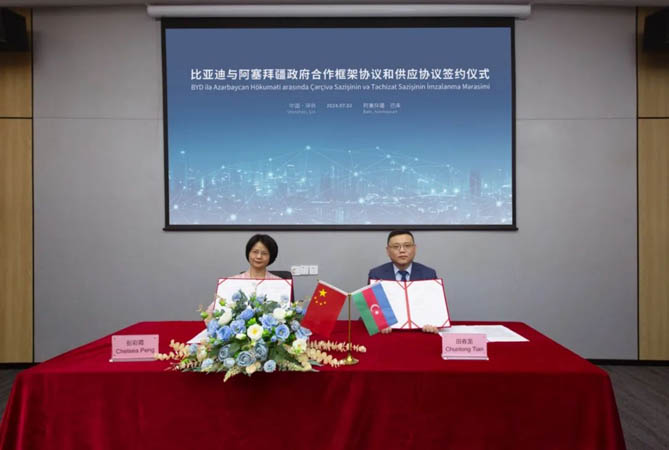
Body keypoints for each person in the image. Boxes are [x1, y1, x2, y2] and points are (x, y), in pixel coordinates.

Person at [368, 230, 439, 334]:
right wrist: (380, 323)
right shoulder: (376, 274)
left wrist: (433, 322)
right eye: (396, 247)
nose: (402, 250)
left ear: (414, 249)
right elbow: (372, 309)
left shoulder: (428, 274)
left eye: (407, 246)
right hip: (389, 332)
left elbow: (434, 308)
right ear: (388, 251)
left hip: (419, 331)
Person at [205, 234, 281, 320]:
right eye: (255, 252)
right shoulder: (232, 282)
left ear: (271, 256)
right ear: (248, 253)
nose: (259, 256)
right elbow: (210, 312)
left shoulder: (279, 283)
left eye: (264, 253)